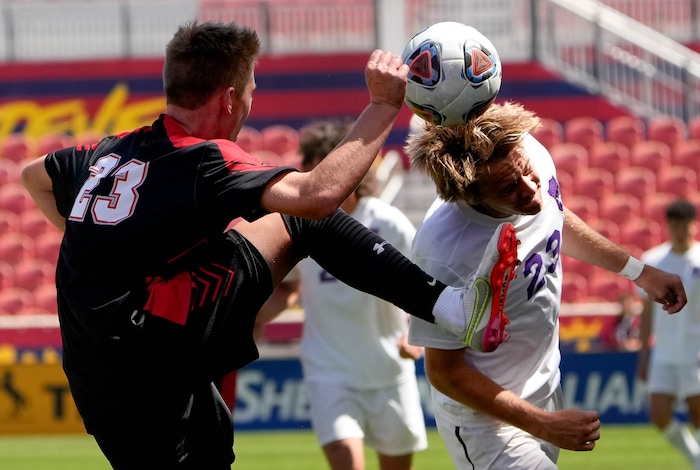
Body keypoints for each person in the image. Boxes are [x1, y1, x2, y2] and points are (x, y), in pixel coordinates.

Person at [19, 20, 518, 470]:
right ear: (231, 98)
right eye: (252, 90)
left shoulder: (105, 153)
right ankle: (453, 310)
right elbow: (317, 196)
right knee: (299, 220)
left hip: (97, 372)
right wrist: (384, 106)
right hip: (154, 346)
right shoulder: (204, 158)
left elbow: (33, 176)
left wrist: (102, 241)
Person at [403, 101, 687, 470]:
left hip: (546, 386)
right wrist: (543, 424)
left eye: (526, 173)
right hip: (486, 423)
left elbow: (554, 215)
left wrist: (638, 271)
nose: (530, 189)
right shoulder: (443, 249)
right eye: (508, 188)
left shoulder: (531, 151)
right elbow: (443, 372)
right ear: (471, 194)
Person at [254, 118, 427, 470]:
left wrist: (415, 338)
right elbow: (288, 290)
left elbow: (419, 287)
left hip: (388, 372)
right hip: (328, 372)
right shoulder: (294, 225)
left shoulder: (389, 222)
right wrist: (246, 316)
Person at [636, 198, 700, 469]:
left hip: (695, 351)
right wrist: (643, 353)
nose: (679, 229)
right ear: (668, 225)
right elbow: (647, 312)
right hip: (663, 351)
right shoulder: (653, 261)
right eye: (674, 223)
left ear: (693, 224)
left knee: (698, 415)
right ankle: (696, 457)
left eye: (684, 224)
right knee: (659, 413)